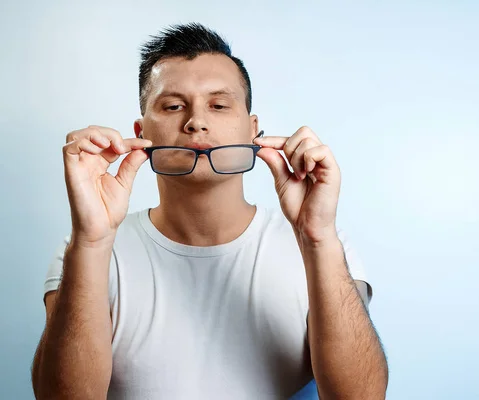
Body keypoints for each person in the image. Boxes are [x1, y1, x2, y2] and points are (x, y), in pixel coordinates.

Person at [31, 23, 388, 399]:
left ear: (253, 131)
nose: (195, 122)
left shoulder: (326, 247)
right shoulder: (85, 251)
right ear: (141, 131)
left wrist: (317, 239)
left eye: (218, 105)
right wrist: (91, 240)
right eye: (172, 106)